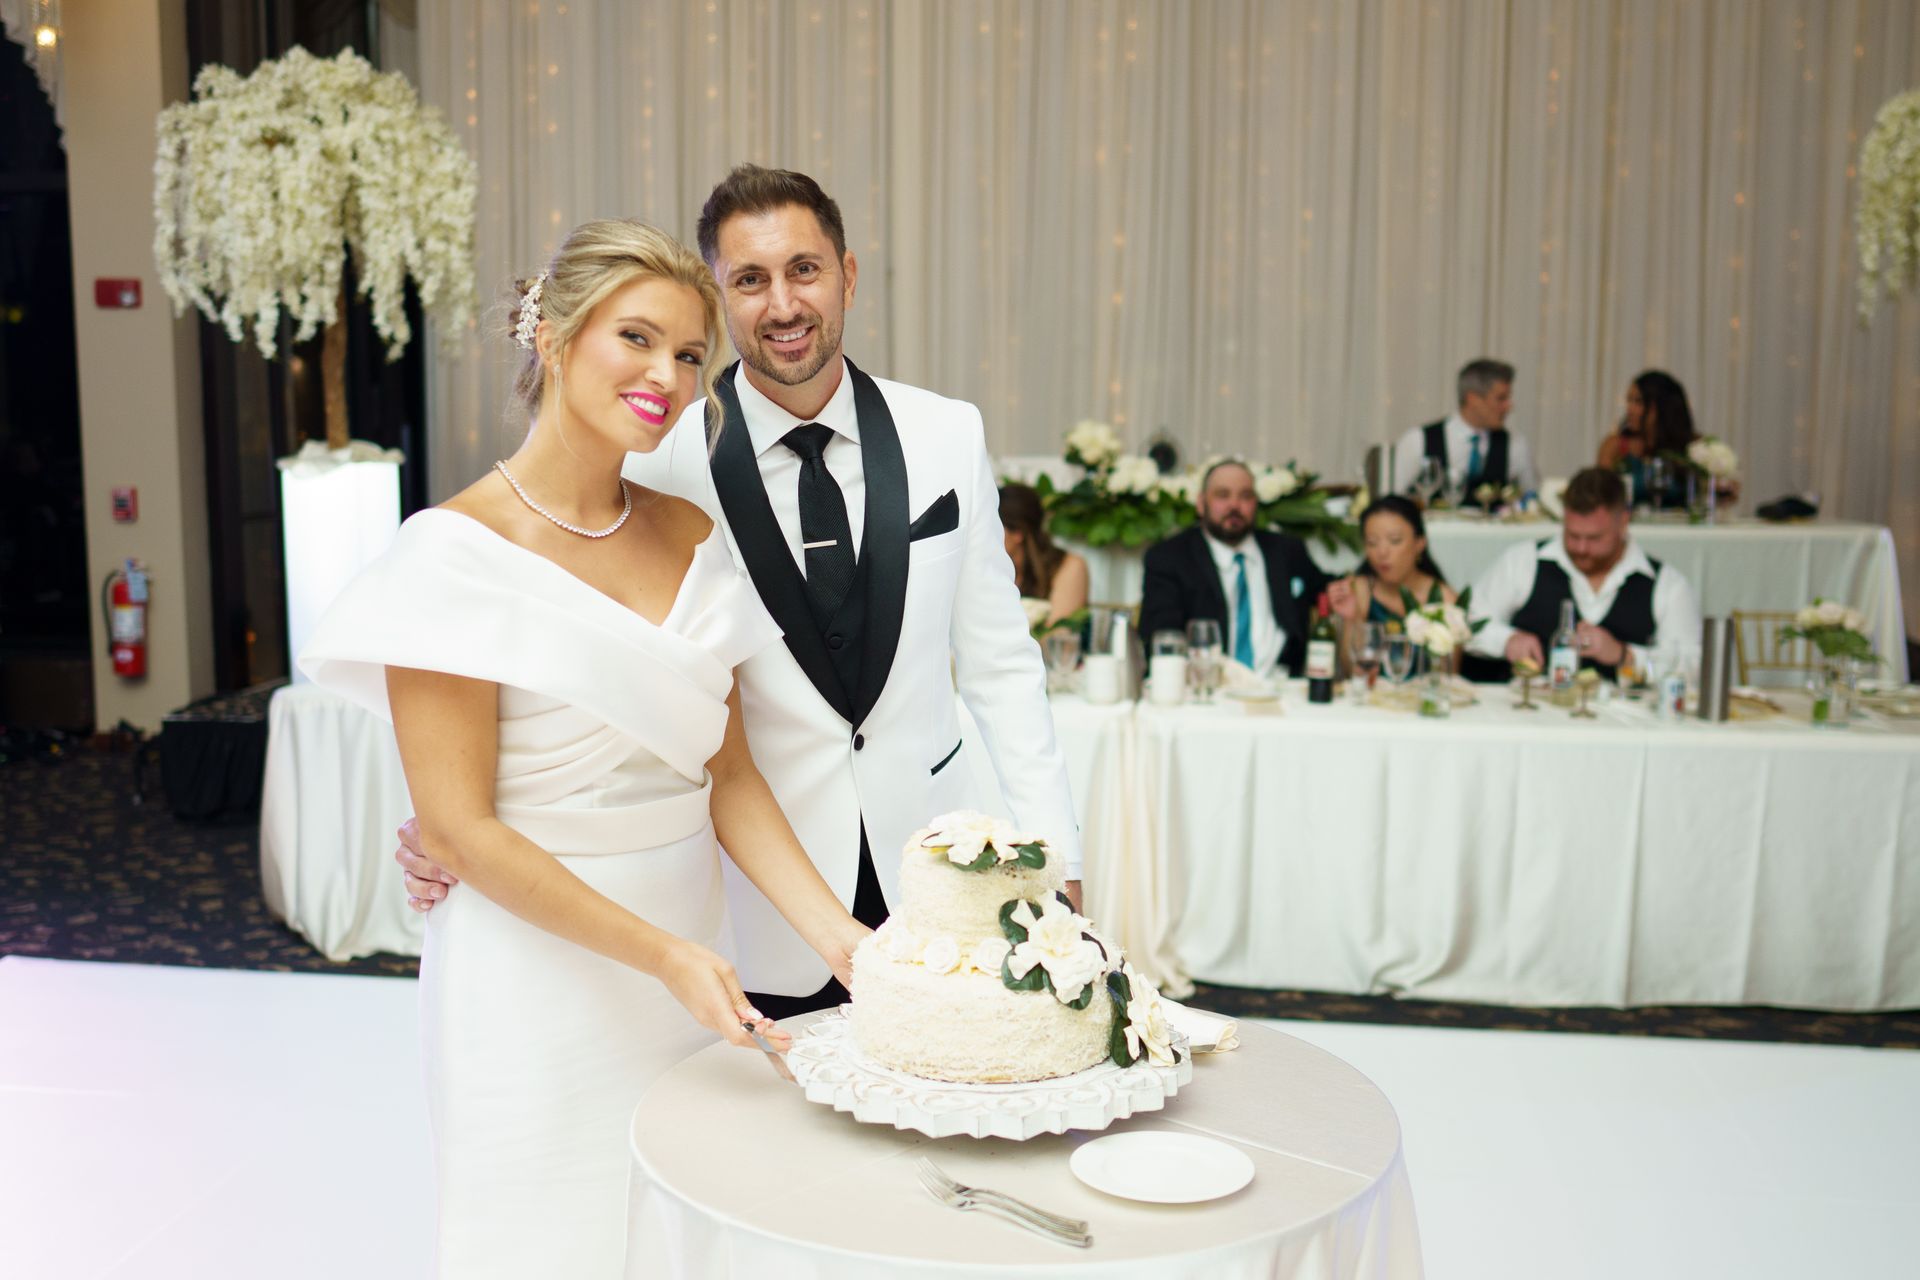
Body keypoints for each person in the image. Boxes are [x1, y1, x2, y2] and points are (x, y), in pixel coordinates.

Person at [299, 220, 868, 1277]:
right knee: (541, 1236)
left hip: (685, 952)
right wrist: (663, 956)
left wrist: (841, 939)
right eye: (637, 339)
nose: (667, 375)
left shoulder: (693, 535)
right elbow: (461, 829)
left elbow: (729, 773)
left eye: (692, 354)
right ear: (553, 335)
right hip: (530, 976)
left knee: (675, 1233)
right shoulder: (449, 556)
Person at [400, 165, 1081, 1021]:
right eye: (749, 280)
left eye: (804, 269)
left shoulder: (948, 433)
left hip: (934, 863)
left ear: (848, 275)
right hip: (744, 898)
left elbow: (1002, 668)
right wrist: (444, 823)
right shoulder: (652, 454)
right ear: (722, 297)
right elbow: (544, 647)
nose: (784, 305)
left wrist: (1059, 856)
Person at [1464, 467, 1702, 682]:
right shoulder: (1524, 561)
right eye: (1572, 535)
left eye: (1594, 538)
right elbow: (1467, 621)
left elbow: (1692, 666)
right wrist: (1506, 641)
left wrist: (1625, 655)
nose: (1581, 548)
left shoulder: (1667, 584)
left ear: (1624, 522)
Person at [1138, 458, 1331, 677]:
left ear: (1256, 503)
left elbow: (1328, 590)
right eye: (1223, 495)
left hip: (1281, 688)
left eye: (1245, 496)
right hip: (1206, 687)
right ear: (1201, 504)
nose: (1235, 506)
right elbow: (1162, 636)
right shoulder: (1170, 557)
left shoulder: (1286, 551)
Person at [1390, 358, 1538, 502]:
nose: (1508, 406)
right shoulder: (1418, 439)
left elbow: (1531, 498)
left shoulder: (1515, 444)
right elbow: (1393, 497)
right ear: (1472, 399)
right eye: (1501, 399)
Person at [1327, 494, 1457, 634]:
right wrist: (1352, 619)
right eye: (1372, 542)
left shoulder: (1445, 598)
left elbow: (1449, 656)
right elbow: (1348, 656)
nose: (1382, 552)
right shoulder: (1359, 591)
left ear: (1419, 543)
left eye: (1395, 540)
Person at [998, 481, 1088, 625]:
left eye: (993, 528)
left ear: (1018, 533)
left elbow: (1059, 634)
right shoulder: (992, 570)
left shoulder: (1069, 566)